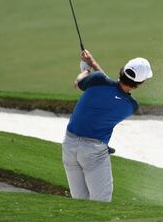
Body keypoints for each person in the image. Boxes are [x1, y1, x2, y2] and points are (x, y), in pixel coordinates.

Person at [62, 50, 152, 202]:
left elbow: (79, 83)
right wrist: (92, 63)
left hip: (69, 146)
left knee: (79, 202)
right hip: (94, 152)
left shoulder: (97, 80)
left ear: (122, 70)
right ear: (140, 83)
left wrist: (86, 69)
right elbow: (111, 87)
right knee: (101, 202)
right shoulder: (131, 106)